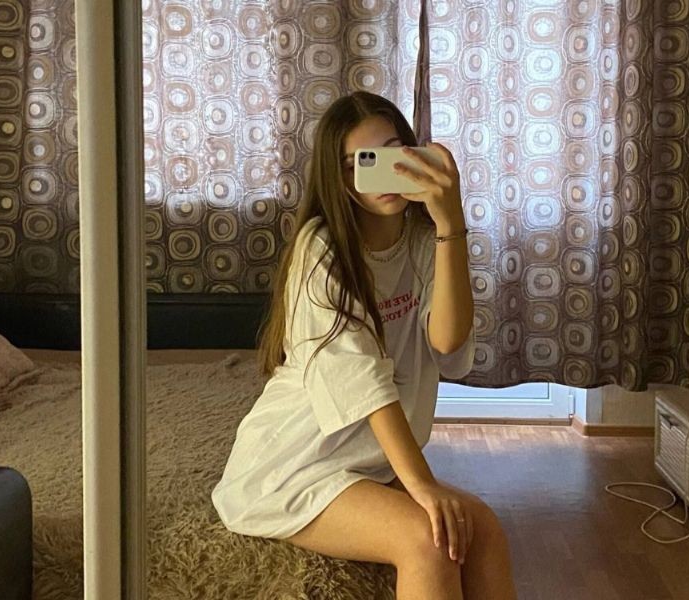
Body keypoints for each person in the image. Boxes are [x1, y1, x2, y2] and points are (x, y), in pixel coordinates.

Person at [211, 91, 517, 600]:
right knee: (430, 541)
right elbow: (365, 384)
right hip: (296, 465)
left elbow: (447, 340)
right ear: (339, 177)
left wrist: (450, 223)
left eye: (393, 153)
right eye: (360, 163)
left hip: (365, 464)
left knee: (481, 529)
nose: (383, 174)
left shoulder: (424, 240)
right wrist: (422, 485)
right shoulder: (322, 249)